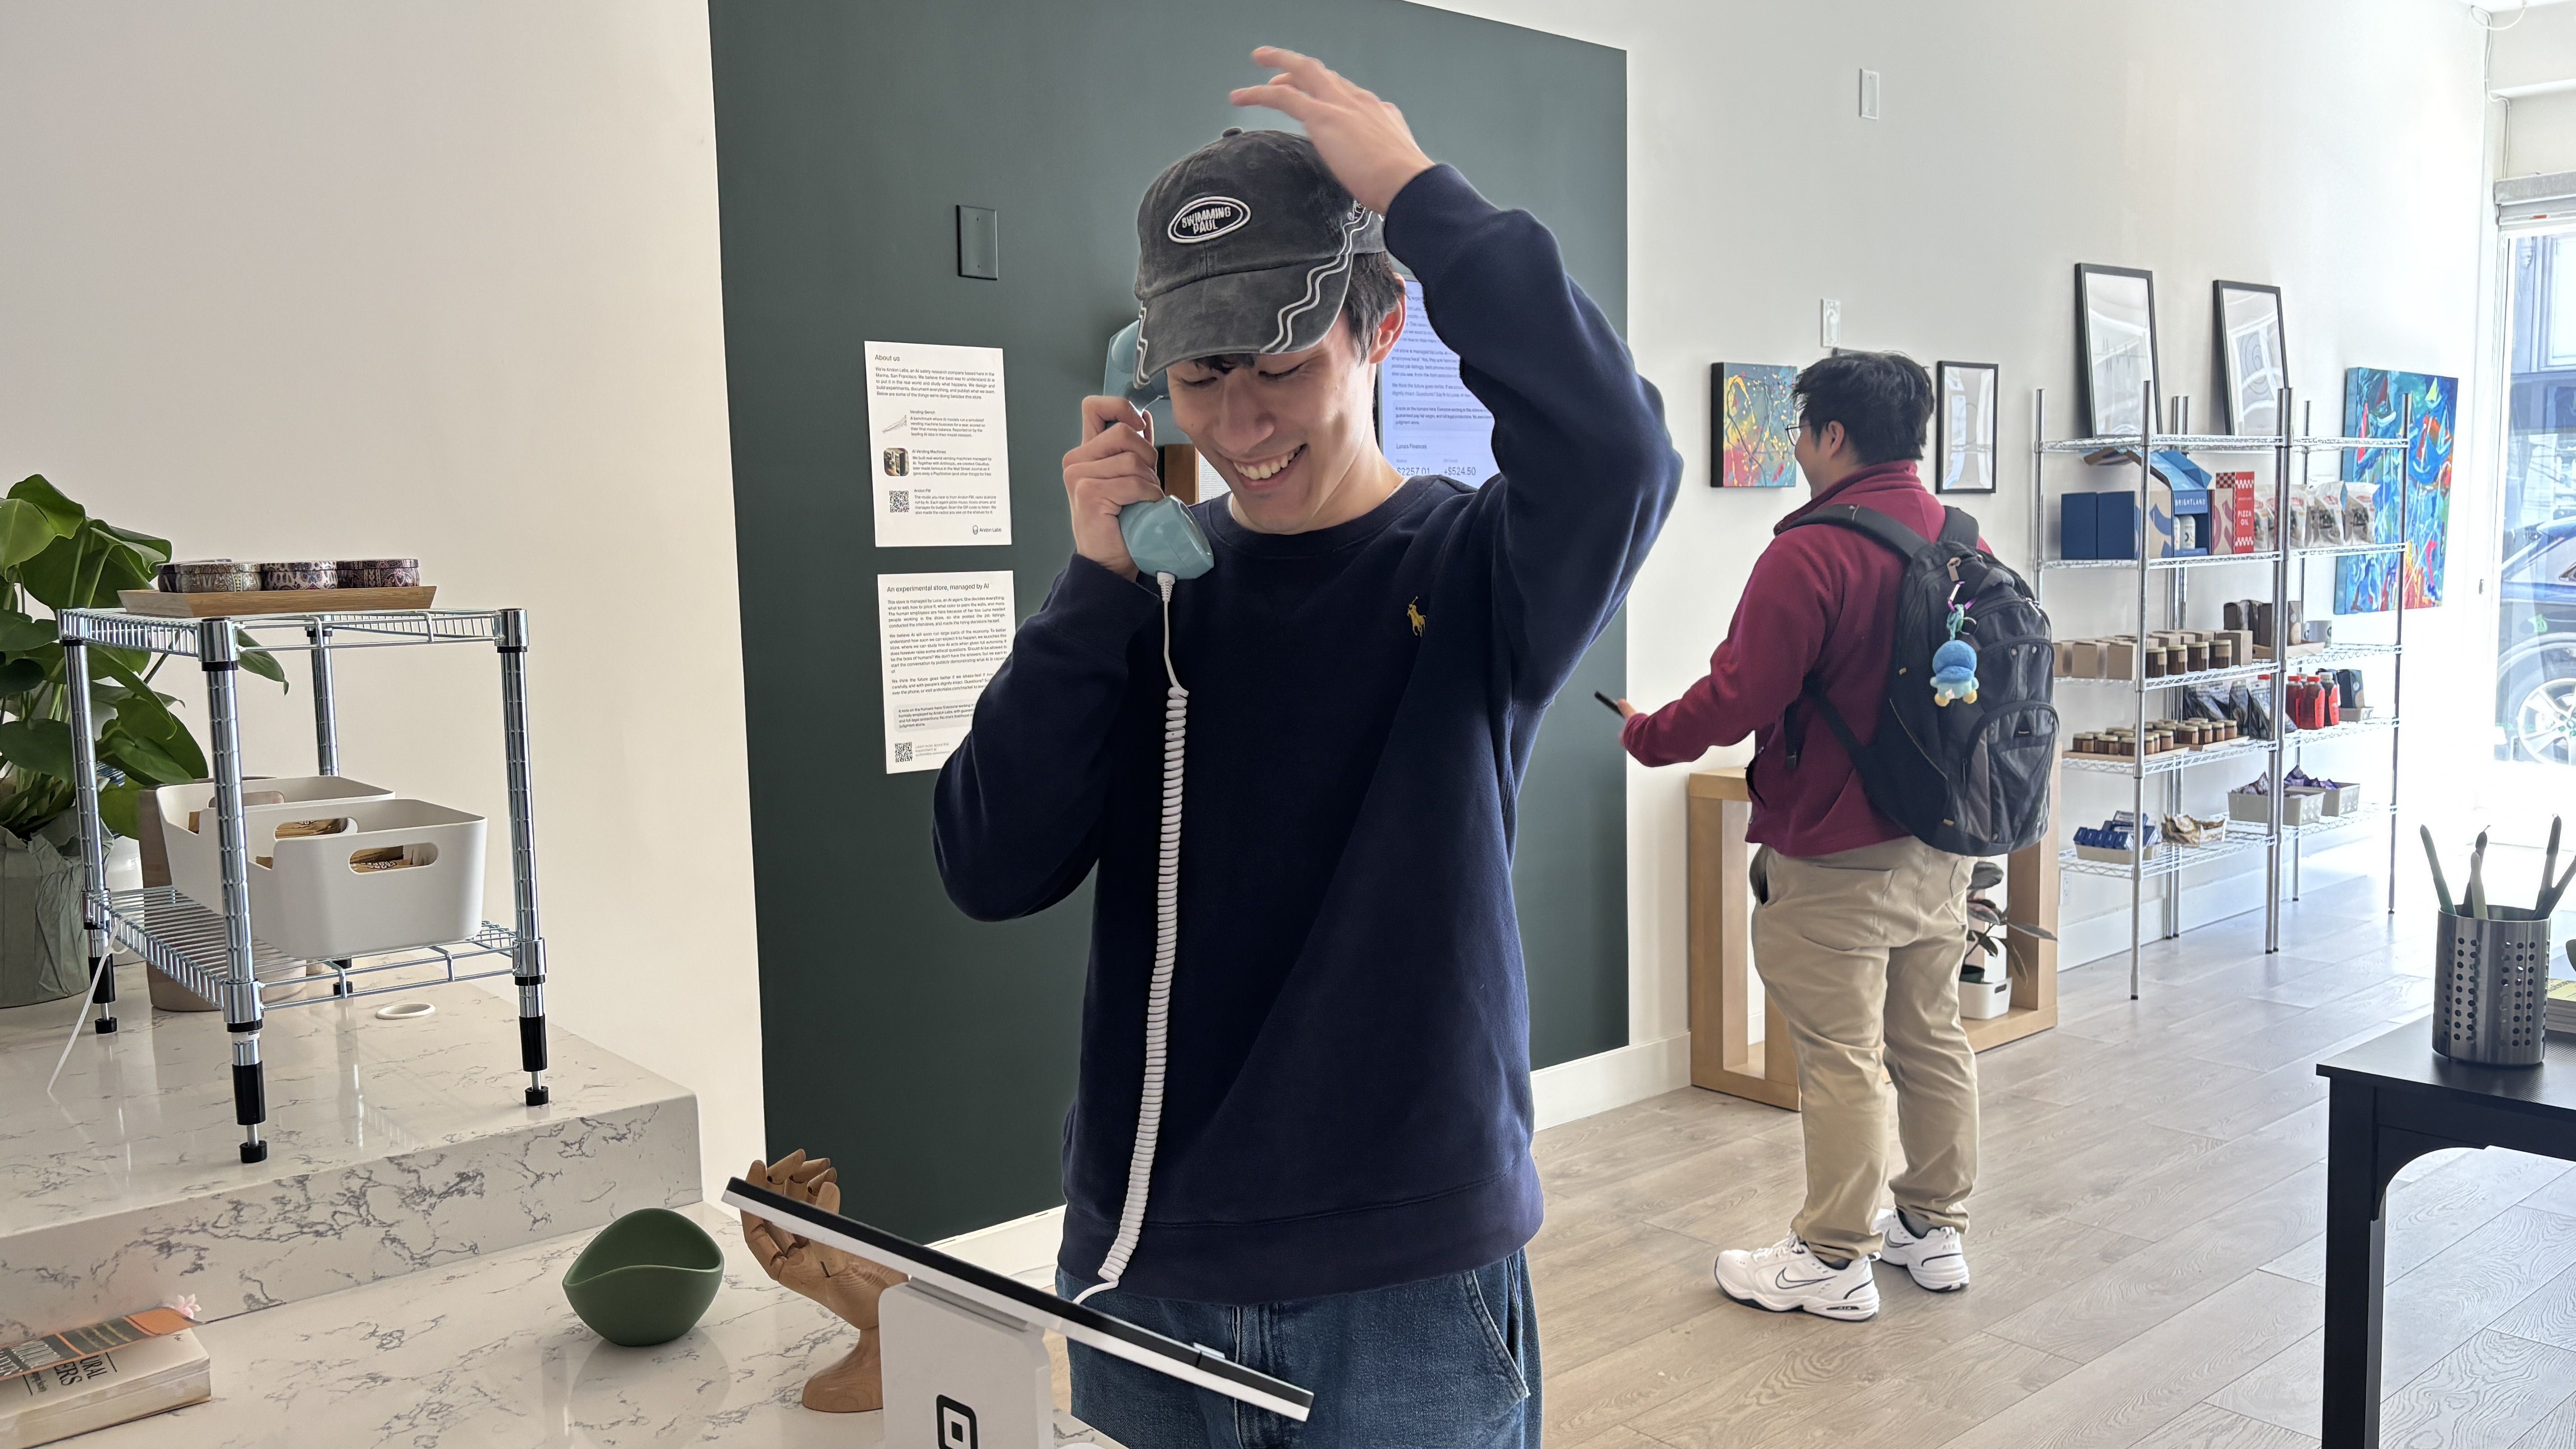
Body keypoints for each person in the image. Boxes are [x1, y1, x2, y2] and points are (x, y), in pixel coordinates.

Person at [932, 47, 1679, 1447]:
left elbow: (1620, 458)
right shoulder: (1143, 595)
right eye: (1200, 379)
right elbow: (989, 859)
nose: (1239, 424)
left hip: (1405, 1274)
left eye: (1281, 362)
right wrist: (1091, 586)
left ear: (1378, 333)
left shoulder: (1474, 568)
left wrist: (1416, 193)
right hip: (1150, 1262)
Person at [1616, 351, 1981, 1324]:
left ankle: (1832, 1255)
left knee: (1842, 1054)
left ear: (1828, 435)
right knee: (1930, 1035)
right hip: (1943, 842)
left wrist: (1648, 734)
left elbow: (1741, 696)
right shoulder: (1961, 541)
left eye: (1801, 430)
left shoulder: (1809, 552)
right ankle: (1934, 1227)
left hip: (1833, 850)